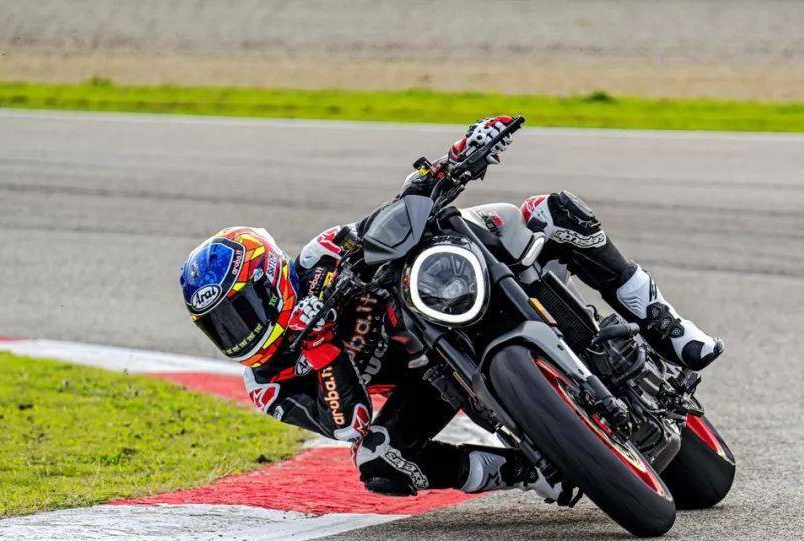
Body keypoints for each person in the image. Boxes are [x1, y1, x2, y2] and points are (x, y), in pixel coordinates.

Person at [179, 116, 724, 499]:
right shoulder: (268, 385)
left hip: (437, 292)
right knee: (378, 461)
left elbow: (382, 227)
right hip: (426, 381)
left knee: (549, 212)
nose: (238, 332)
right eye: (221, 326)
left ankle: (666, 325)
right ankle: (523, 470)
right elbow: (350, 423)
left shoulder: (317, 257)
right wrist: (320, 347)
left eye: (243, 311)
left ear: (270, 280)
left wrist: (449, 165)